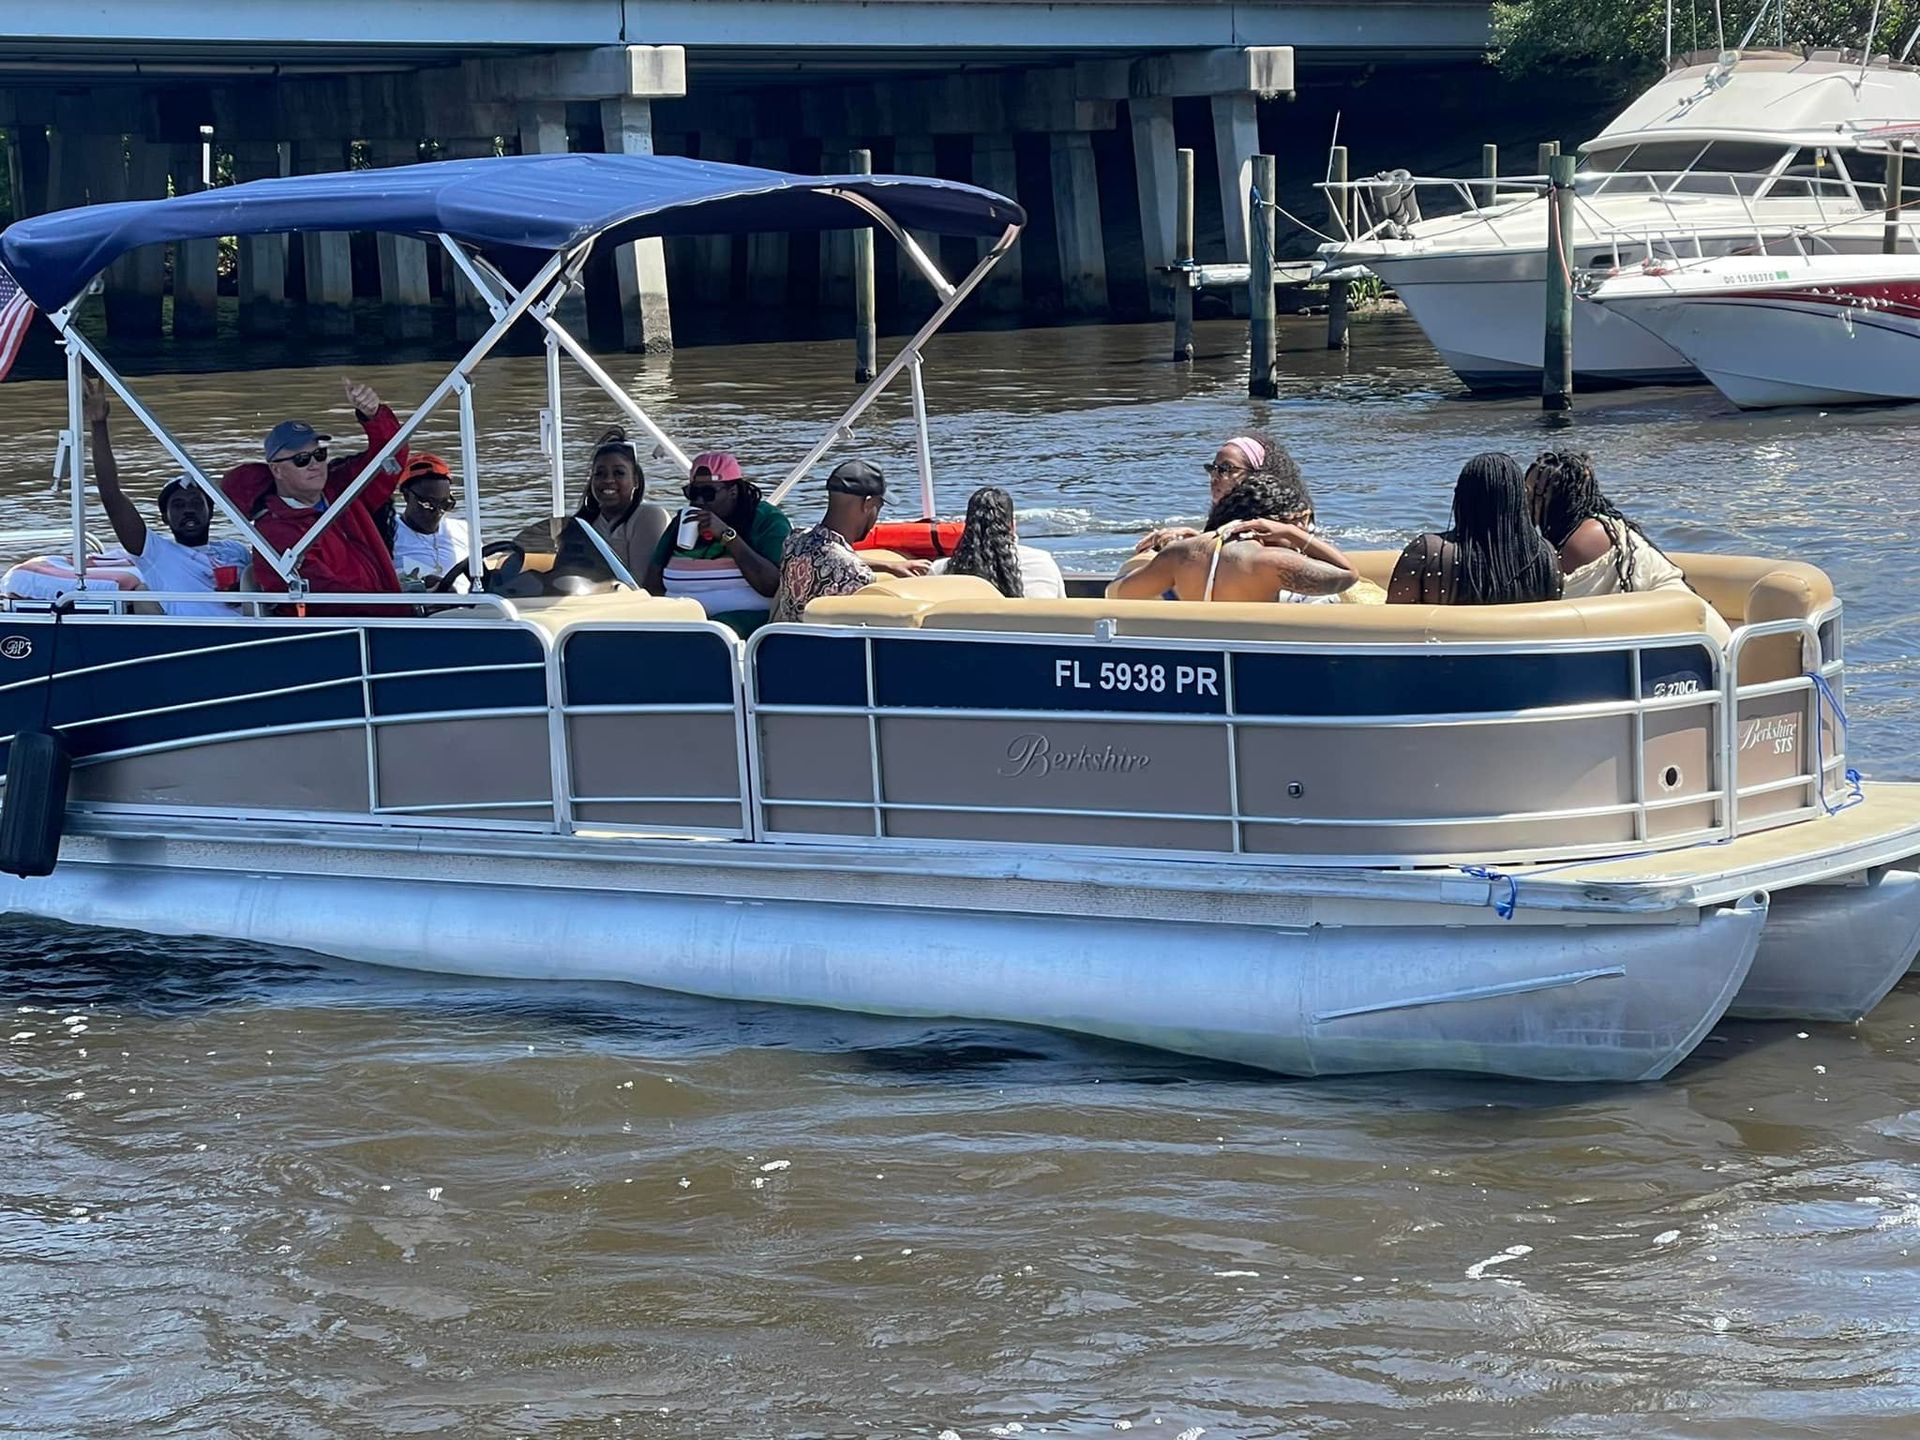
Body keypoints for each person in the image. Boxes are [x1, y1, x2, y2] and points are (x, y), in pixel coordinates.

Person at [220, 377, 409, 613]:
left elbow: (392, 459)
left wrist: (374, 416)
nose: (314, 464)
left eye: (319, 455)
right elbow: (323, 596)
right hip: (352, 633)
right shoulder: (275, 532)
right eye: (302, 459)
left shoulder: (343, 490)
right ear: (276, 469)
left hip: (388, 615)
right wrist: (399, 609)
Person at [82, 376, 250, 617]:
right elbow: (112, 497)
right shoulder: (155, 552)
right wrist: (99, 425)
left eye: (195, 503)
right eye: (178, 505)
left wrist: (240, 589)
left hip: (250, 634)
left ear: (210, 510)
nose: (188, 510)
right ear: (165, 517)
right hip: (195, 641)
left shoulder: (235, 550)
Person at [1108, 472, 1357, 603]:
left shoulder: (1181, 553)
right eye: (1301, 522)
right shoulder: (1272, 561)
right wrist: (1292, 534)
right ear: (1269, 523)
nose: (1304, 528)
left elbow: (1118, 594)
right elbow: (1348, 575)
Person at [642, 450, 791, 635]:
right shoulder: (683, 521)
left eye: (708, 493)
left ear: (733, 492)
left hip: (745, 622)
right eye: (693, 492)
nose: (699, 500)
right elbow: (652, 584)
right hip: (686, 620)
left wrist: (728, 537)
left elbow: (772, 586)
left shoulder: (766, 519)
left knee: (710, 632)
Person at [1387, 452, 1563, 606]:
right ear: (1519, 501)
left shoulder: (1429, 551)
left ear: (1462, 497)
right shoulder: (1546, 554)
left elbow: (1395, 622)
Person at [770, 460, 929, 623]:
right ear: (868, 504)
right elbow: (843, 563)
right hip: (826, 647)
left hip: (785, 640)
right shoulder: (857, 575)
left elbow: (829, 556)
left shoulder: (794, 542)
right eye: (879, 506)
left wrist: (888, 566)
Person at [1526, 450, 1690, 598]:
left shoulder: (1586, 538)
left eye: (1534, 493)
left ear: (1560, 500)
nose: (1524, 500)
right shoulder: (1577, 529)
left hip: (1680, 616)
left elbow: (1560, 601)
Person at [1134, 430, 1295, 554]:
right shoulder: (1223, 515)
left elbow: (1236, 550)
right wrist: (1194, 536)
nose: (1215, 477)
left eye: (1226, 469)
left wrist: (1191, 543)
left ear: (1256, 475)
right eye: (1212, 468)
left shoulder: (1273, 523)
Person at [927, 485, 1065, 599]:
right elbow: (1062, 609)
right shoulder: (1043, 562)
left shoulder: (940, 571)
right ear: (1012, 526)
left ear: (967, 527)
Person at [574, 429, 673, 583]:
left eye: (619, 473)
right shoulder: (582, 523)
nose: (608, 480)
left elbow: (640, 583)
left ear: (636, 481)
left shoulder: (650, 516)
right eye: (599, 474)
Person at [388, 453, 470, 586]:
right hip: (422, 604)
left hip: (476, 604)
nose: (438, 512)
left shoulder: (462, 530)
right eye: (428, 505)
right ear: (407, 496)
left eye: (445, 504)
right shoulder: (387, 535)